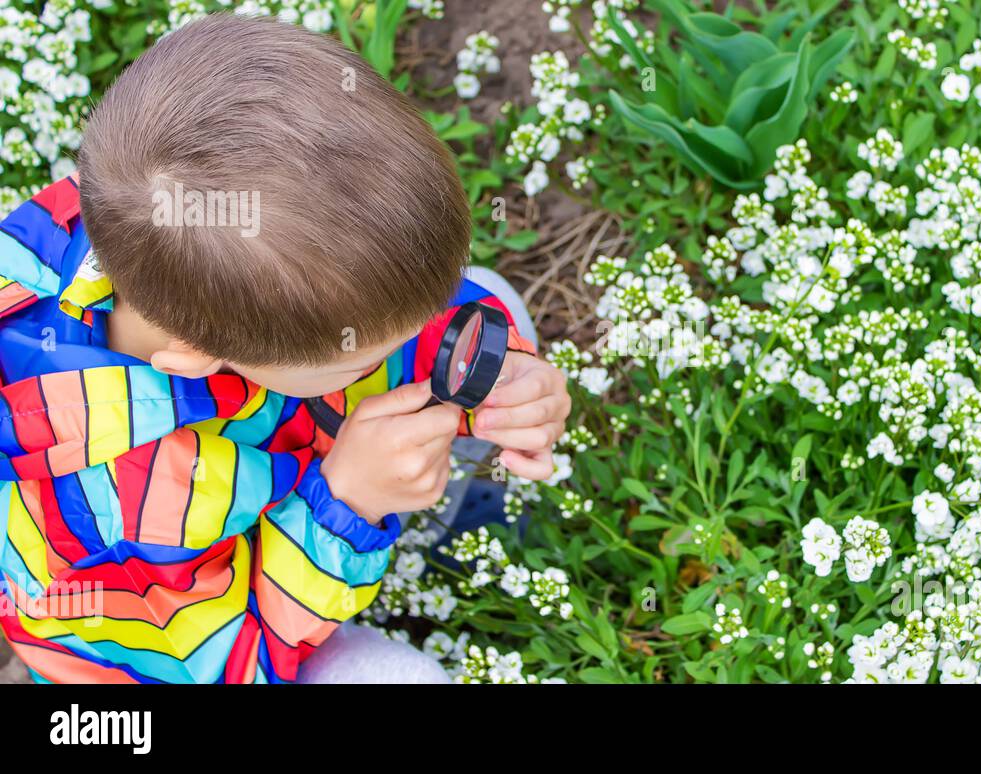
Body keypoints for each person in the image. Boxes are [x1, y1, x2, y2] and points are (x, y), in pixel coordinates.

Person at [0, 14, 570, 683]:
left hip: (290, 463)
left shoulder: (144, 223)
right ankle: (418, 541)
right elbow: (232, 663)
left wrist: (503, 384)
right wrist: (349, 507)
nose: (427, 333)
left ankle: (447, 528)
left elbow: (357, 309)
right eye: (362, 356)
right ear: (197, 354)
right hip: (204, 634)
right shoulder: (123, 502)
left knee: (488, 293)